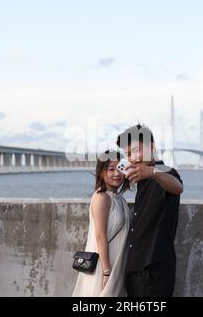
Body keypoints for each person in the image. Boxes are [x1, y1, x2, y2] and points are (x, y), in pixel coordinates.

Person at [116, 124, 183, 297]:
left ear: (151, 147)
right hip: (135, 268)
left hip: (154, 268)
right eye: (128, 154)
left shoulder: (164, 171)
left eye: (136, 150)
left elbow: (177, 187)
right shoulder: (141, 180)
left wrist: (153, 172)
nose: (132, 158)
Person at [72, 150, 132, 296]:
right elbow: (100, 236)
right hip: (104, 266)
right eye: (111, 169)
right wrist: (106, 271)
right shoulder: (102, 197)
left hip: (117, 264)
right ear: (101, 172)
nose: (117, 173)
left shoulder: (119, 199)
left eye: (120, 168)